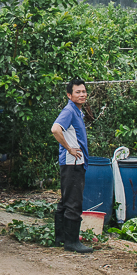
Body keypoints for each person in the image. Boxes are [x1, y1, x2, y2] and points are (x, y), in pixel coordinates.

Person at [51, 78, 93, 253]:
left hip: (72, 162)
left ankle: (60, 237)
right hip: (72, 162)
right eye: (78, 92)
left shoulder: (77, 111)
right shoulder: (69, 110)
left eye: (83, 91)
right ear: (69, 95)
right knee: (74, 202)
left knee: (66, 200)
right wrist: (69, 148)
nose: (82, 95)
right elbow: (55, 129)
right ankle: (72, 242)